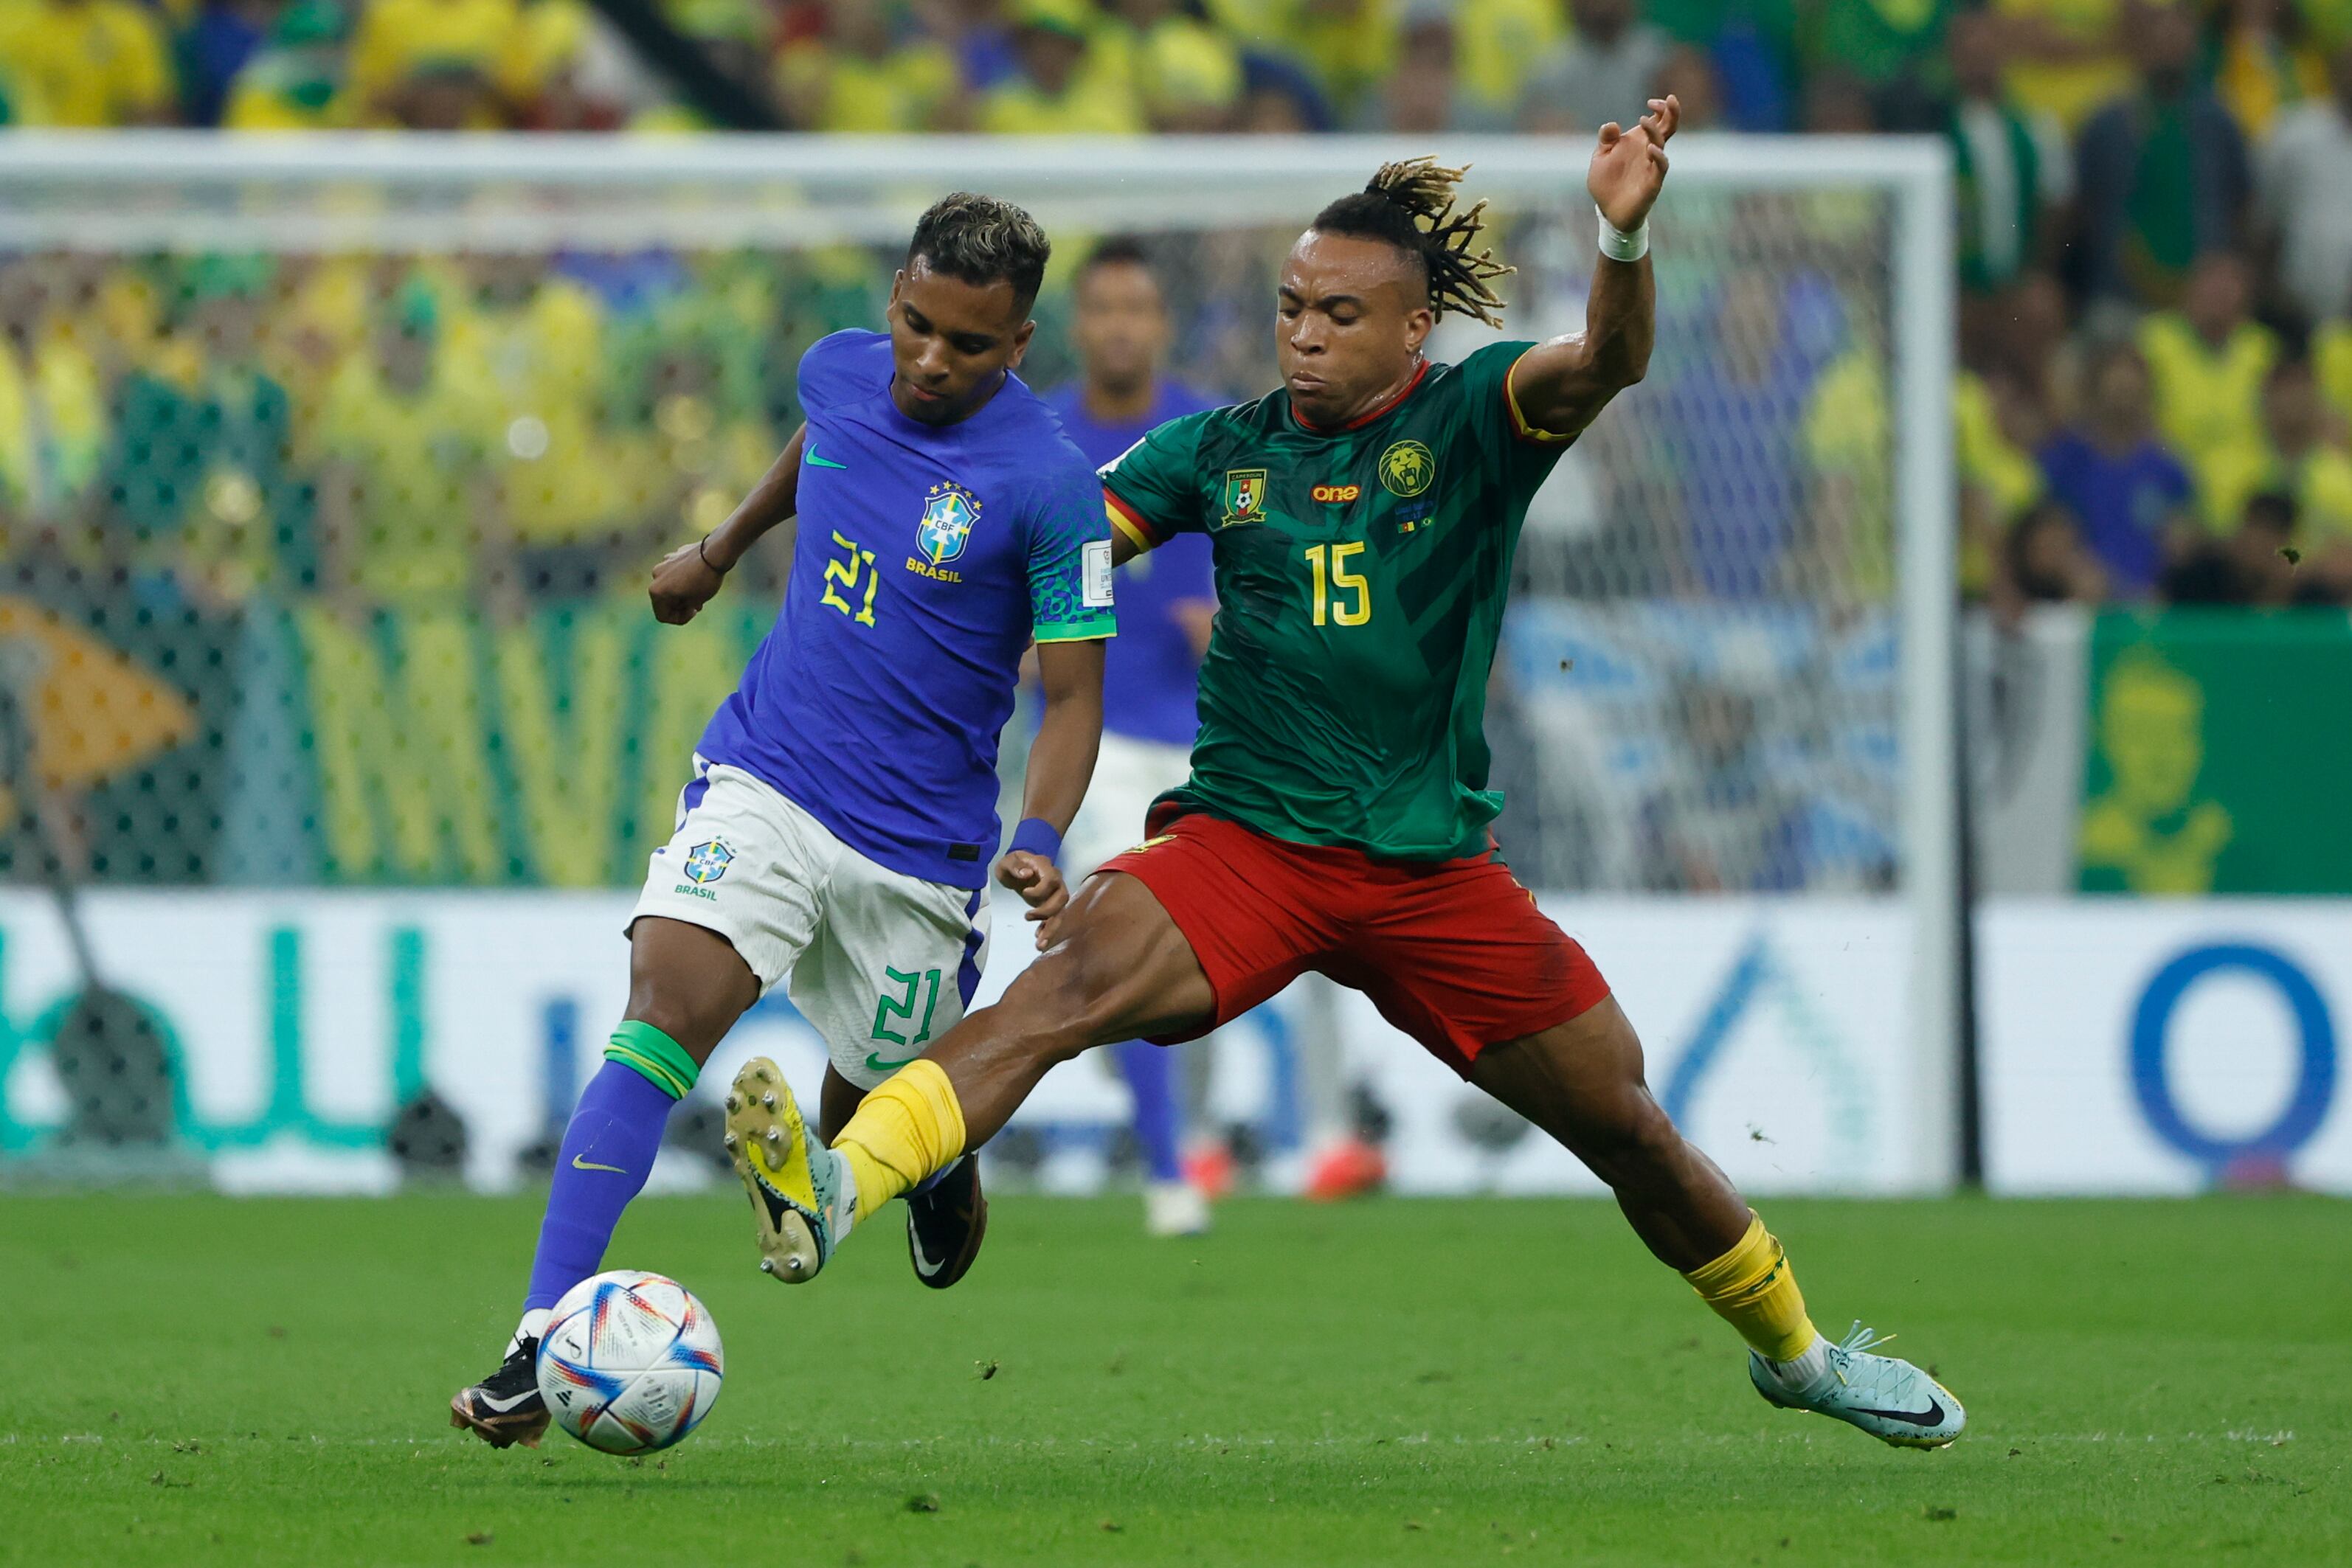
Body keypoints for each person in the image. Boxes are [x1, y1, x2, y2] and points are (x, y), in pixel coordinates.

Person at [725, 105, 1970, 1451]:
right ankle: (836, 1193)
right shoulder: (1221, 450)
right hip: (1247, 847)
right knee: (1066, 984)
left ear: (1412, 329)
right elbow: (1053, 550)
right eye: (1288, 307)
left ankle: (1796, 1350)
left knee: (1624, 1120)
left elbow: (1613, 354)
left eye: (1338, 314)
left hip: (1431, 867)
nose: (1303, 335)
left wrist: (1621, 229)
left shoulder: (1481, 416)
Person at [449, 193, 1116, 1449]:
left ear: (1019, 344)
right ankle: (540, 1341)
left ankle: (934, 1162)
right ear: (897, 294)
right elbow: (822, 445)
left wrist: (1042, 830)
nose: (928, 360)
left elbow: (1075, 695)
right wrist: (718, 548)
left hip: (917, 851)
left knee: (869, 1114)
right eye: (915, 323)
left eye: (968, 346)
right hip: (768, 772)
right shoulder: (842, 370)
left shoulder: (1050, 489)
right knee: (666, 1009)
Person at [1044, 238, 1221, 1237]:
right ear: (1080, 324)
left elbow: (1215, 610)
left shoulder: (1203, 433)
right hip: (1092, 741)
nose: (1120, 325)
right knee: (1129, 930)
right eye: (1103, 308)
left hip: (1206, 742)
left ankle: (1322, 1131)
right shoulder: (1041, 439)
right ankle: (1167, 1168)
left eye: (1137, 309)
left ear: (1159, 324)